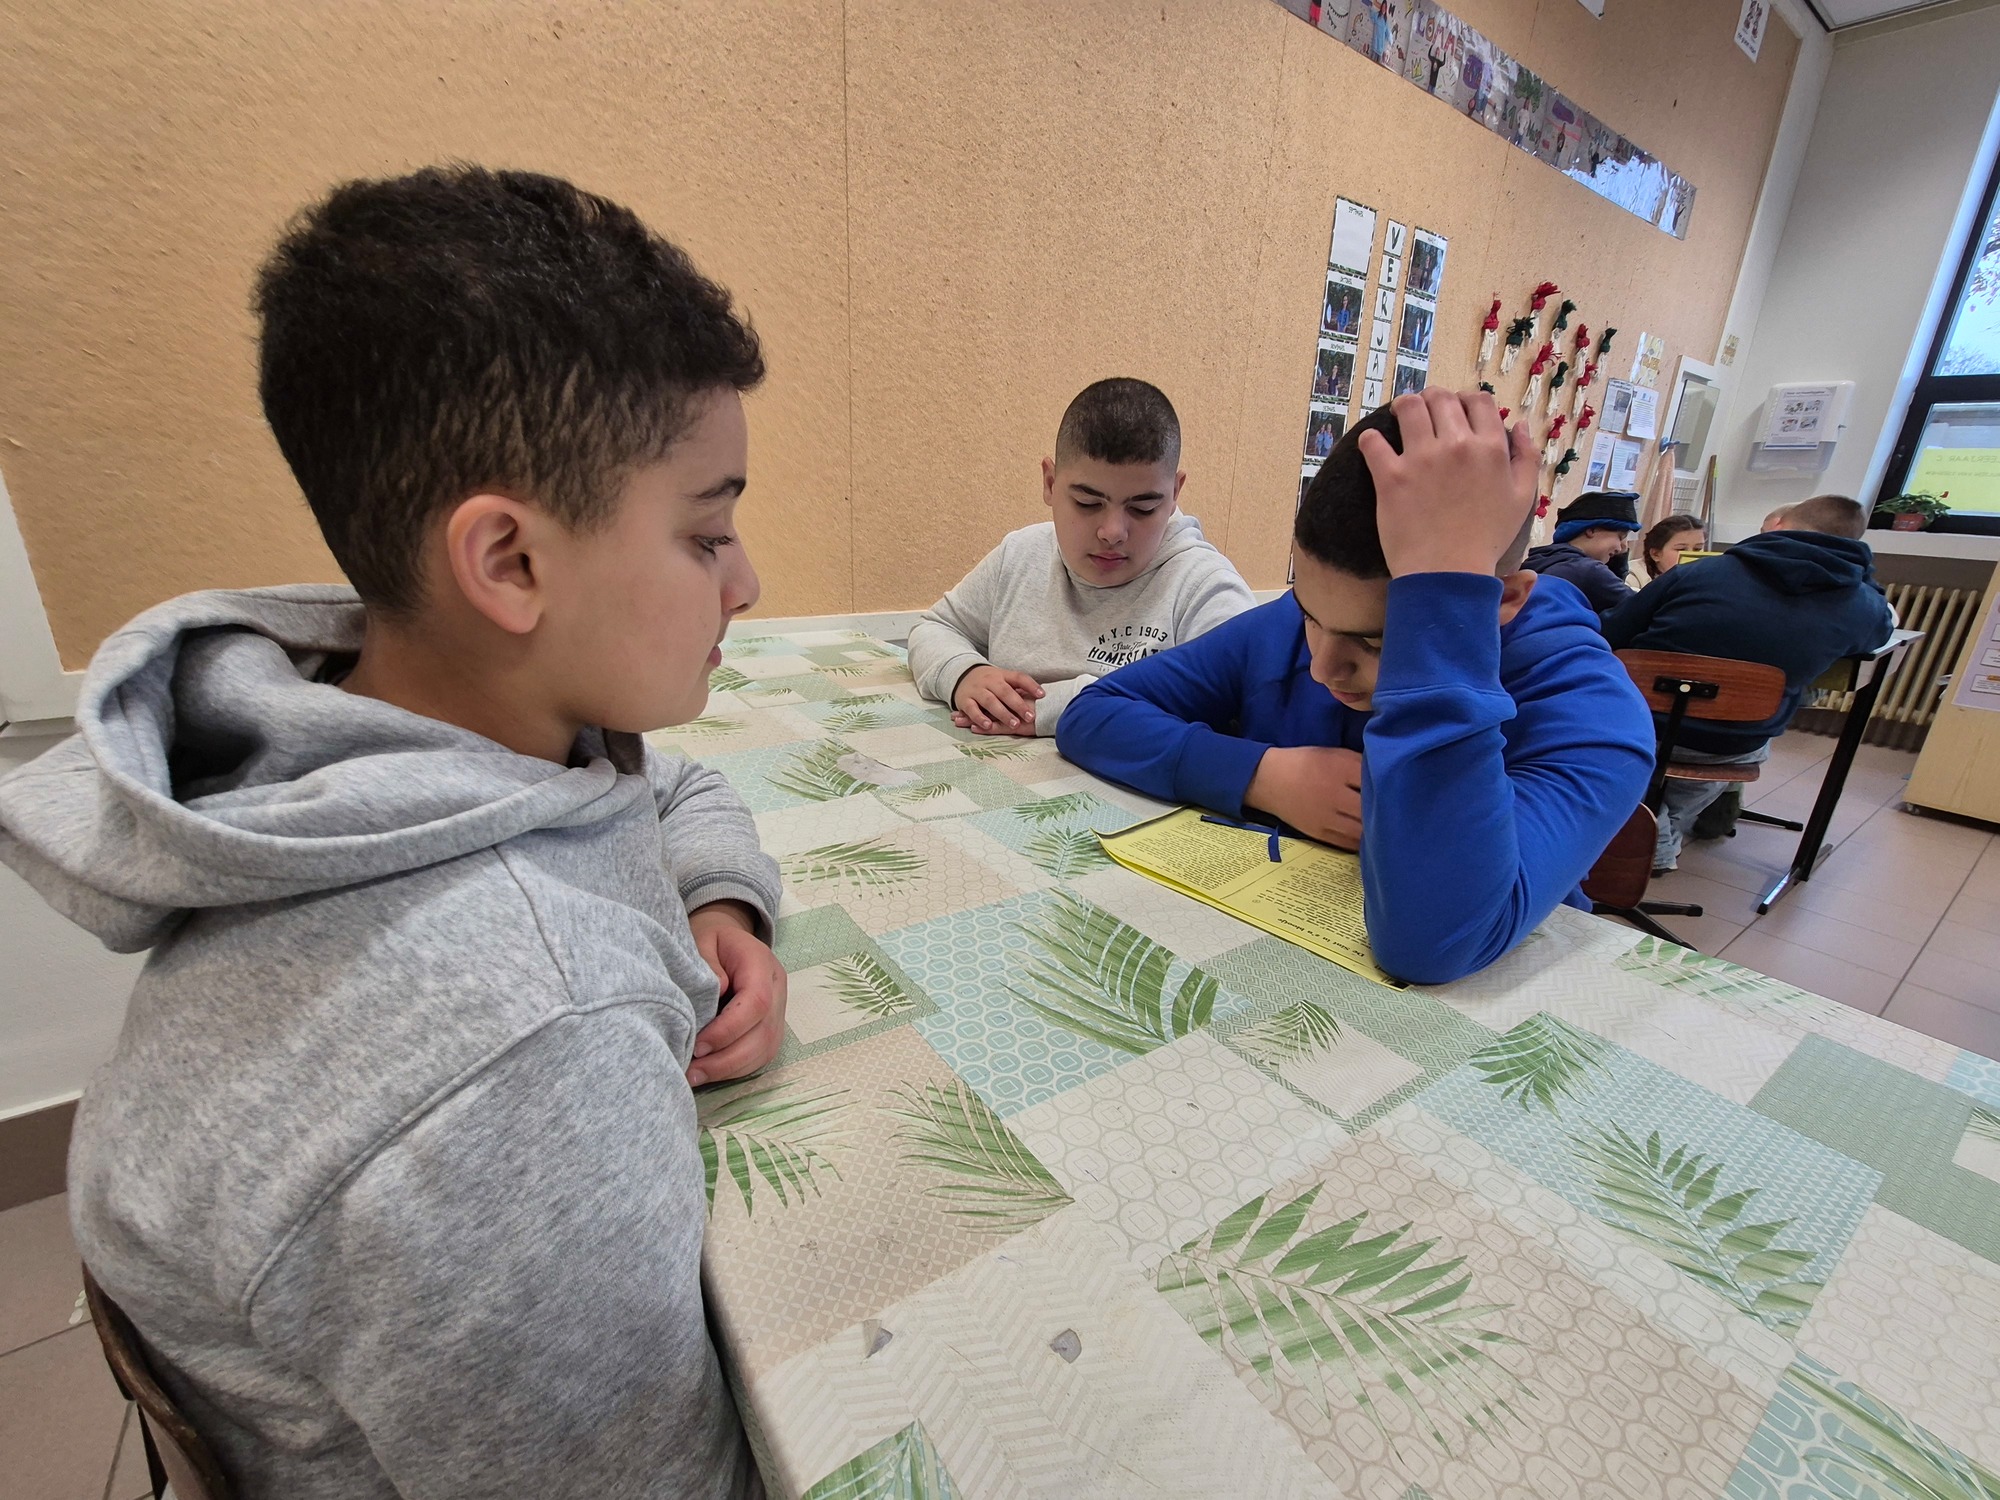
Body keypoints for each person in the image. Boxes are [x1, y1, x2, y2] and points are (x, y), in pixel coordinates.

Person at [0, 168, 786, 1499]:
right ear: (509, 563)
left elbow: (668, 790)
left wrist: (719, 900)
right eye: (707, 531)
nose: (747, 581)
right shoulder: (515, 1059)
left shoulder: (387, 732)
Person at [1056, 391, 1655, 986]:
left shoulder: (1594, 716)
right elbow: (1095, 714)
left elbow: (1433, 942)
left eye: (1377, 642)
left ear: (1504, 603)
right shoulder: (1301, 625)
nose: (1323, 669)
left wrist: (1441, 614)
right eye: (1309, 614)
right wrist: (1264, 776)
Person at [907, 378, 1254, 737]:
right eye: (1088, 503)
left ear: (1175, 493)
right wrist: (964, 673)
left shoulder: (1205, 587)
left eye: (1143, 508)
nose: (1112, 532)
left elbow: (1231, 704)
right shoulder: (1020, 556)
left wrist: (1054, 709)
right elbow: (934, 628)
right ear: (1050, 483)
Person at [1603, 493, 1894, 871]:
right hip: (1733, 741)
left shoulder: (1698, 572)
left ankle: (1648, 822)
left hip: (1635, 725)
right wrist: (1863, 576)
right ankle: (1664, 824)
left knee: (1658, 731)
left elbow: (1615, 629)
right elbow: (1879, 634)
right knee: (1763, 716)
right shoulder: (1861, 603)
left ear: (1778, 526)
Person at [1523, 490, 1644, 611]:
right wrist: (1619, 562)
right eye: (1620, 537)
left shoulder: (1540, 560)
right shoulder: (1589, 570)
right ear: (1592, 530)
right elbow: (1638, 609)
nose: (1620, 548)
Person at [1639, 513, 1707, 580]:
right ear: (1656, 554)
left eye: (1698, 549)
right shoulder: (1635, 578)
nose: (1691, 555)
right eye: (1681, 549)